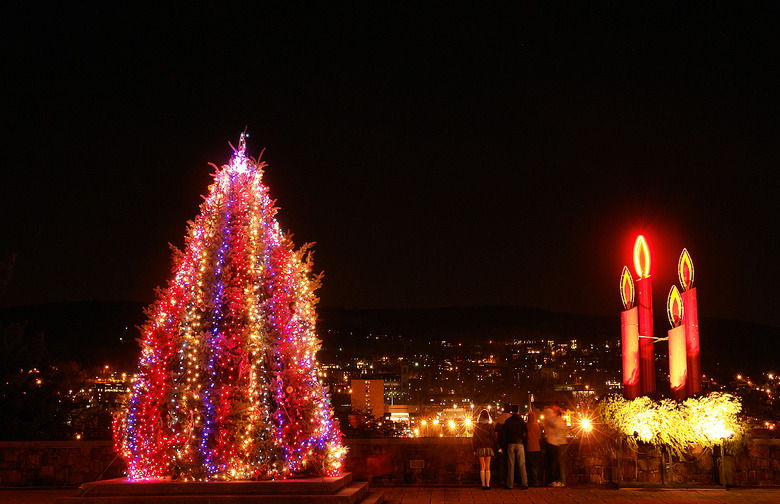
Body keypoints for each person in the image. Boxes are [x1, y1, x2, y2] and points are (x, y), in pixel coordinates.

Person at [500, 404, 528, 489]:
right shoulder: (522, 421)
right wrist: (524, 443)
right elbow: (525, 434)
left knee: (511, 465)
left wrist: (502, 445)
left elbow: (504, 434)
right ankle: (524, 483)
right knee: (522, 465)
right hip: (520, 444)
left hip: (511, 444)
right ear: (518, 411)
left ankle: (510, 484)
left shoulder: (508, 421)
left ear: (512, 411)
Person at [542, 401, 567, 487]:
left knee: (555, 463)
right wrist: (557, 414)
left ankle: (557, 480)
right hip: (552, 442)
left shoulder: (555, 416)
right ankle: (553, 480)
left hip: (555, 442)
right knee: (553, 463)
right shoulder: (549, 412)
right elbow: (555, 424)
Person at [472, 409, 496, 490]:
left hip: (480, 447)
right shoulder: (490, 426)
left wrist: (474, 449)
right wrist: (497, 447)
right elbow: (493, 437)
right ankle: (488, 484)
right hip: (488, 447)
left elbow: (474, 439)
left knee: (482, 467)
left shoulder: (477, 426)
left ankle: (483, 484)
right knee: (487, 467)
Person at [494, 403, 512, 485]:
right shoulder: (511, 418)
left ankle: (501, 479)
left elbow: (495, 432)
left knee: (501, 463)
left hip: (501, 443)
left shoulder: (499, 418)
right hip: (510, 442)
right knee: (510, 463)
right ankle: (510, 479)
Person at [525, 410, 542, 486]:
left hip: (529, 447)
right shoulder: (537, 425)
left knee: (531, 465)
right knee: (536, 465)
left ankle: (533, 481)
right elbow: (539, 436)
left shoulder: (526, 426)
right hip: (537, 447)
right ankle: (536, 480)